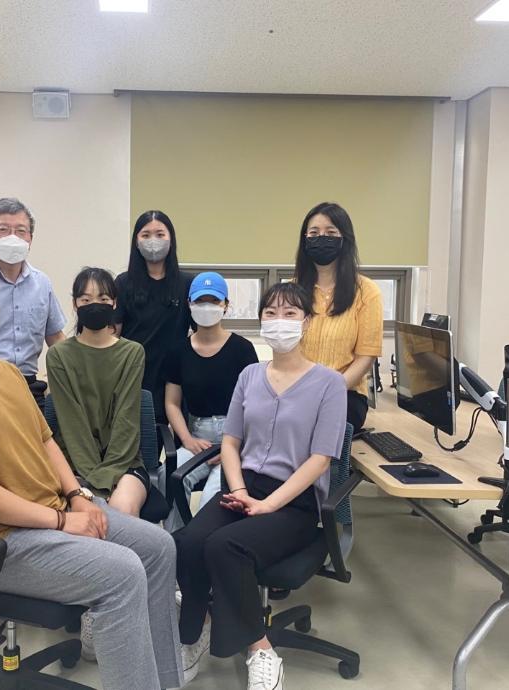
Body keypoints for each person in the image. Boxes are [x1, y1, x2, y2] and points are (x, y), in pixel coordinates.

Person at [0, 254, 182, 690]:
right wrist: (62, 522)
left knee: (159, 547)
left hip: (50, 512)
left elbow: (46, 442)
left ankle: (164, 682)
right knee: (123, 572)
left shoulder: (6, 373)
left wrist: (77, 497)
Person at [173, 283, 347, 690]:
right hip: (243, 486)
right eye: (271, 313)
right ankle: (196, 632)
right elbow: (230, 442)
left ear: (307, 321)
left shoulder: (329, 384)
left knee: (226, 546)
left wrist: (268, 505)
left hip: (294, 500)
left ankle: (261, 649)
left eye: (290, 313)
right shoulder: (250, 376)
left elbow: (320, 459)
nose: (279, 321)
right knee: (188, 541)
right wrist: (239, 491)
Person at [46, 267, 149, 517]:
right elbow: (72, 422)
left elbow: (126, 419)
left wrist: (107, 475)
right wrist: (95, 481)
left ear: (114, 303)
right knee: (83, 515)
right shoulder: (59, 355)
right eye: (86, 299)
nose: (95, 305)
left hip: (124, 461)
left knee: (122, 510)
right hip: (73, 462)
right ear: (75, 304)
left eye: (103, 299)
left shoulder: (132, 352)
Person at [162, 271, 258, 533]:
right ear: (189, 304)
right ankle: (174, 543)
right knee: (169, 477)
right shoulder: (178, 351)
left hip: (235, 439)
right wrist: (187, 440)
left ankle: (201, 545)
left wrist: (232, 447)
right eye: (200, 301)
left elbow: (254, 406)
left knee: (213, 498)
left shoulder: (242, 349)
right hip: (197, 438)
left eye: (214, 301)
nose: (207, 307)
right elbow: (172, 403)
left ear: (226, 305)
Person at [295, 201, 382, 431]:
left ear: (345, 239)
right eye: (314, 233)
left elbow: (366, 356)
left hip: (345, 394)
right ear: (305, 240)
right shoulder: (293, 291)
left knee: (311, 425)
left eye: (331, 232)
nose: (322, 238)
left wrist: (330, 391)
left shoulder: (366, 292)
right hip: (298, 391)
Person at [0, 197, 66, 405]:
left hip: (29, 385)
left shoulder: (42, 283)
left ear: (30, 239)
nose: (12, 237)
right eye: (3, 229)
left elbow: (55, 337)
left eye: (20, 231)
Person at [115, 210, 195, 424]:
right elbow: (114, 335)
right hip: (134, 376)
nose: (153, 241)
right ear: (136, 241)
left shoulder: (187, 283)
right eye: (146, 235)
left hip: (175, 378)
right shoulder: (123, 283)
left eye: (160, 234)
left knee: (176, 441)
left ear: (171, 239)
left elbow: (201, 333)